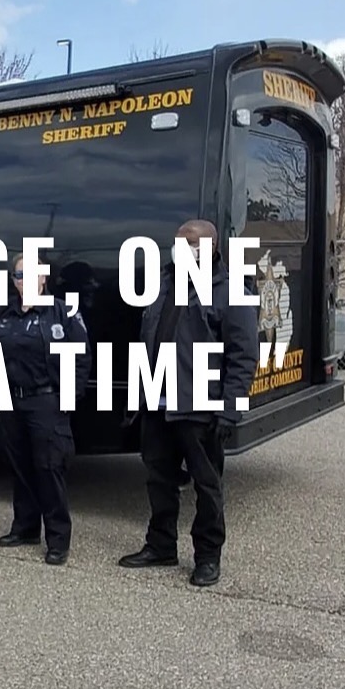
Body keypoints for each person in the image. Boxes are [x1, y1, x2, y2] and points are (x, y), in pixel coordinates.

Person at [118, 219, 258, 587]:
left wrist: (230, 408)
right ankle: (161, 545)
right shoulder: (163, 284)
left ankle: (208, 557)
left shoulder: (230, 290)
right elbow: (148, 339)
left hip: (201, 408)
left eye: (192, 243)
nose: (184, 249)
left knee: (207, 485)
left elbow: (244, 355)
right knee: (158, 480)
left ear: (211, 248)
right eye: (179, 243)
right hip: (157, 403)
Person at [0, 253, 91, 565]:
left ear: (44, 277)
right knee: (20, 467)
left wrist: (69, 397)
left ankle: (58, 538)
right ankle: (25, 528)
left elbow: (82, 357)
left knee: (49, 468)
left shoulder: (63, 312)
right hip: (11, 401)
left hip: (47, 400)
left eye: (31, 273)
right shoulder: (4, 313)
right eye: (19, 275)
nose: (25, 280)